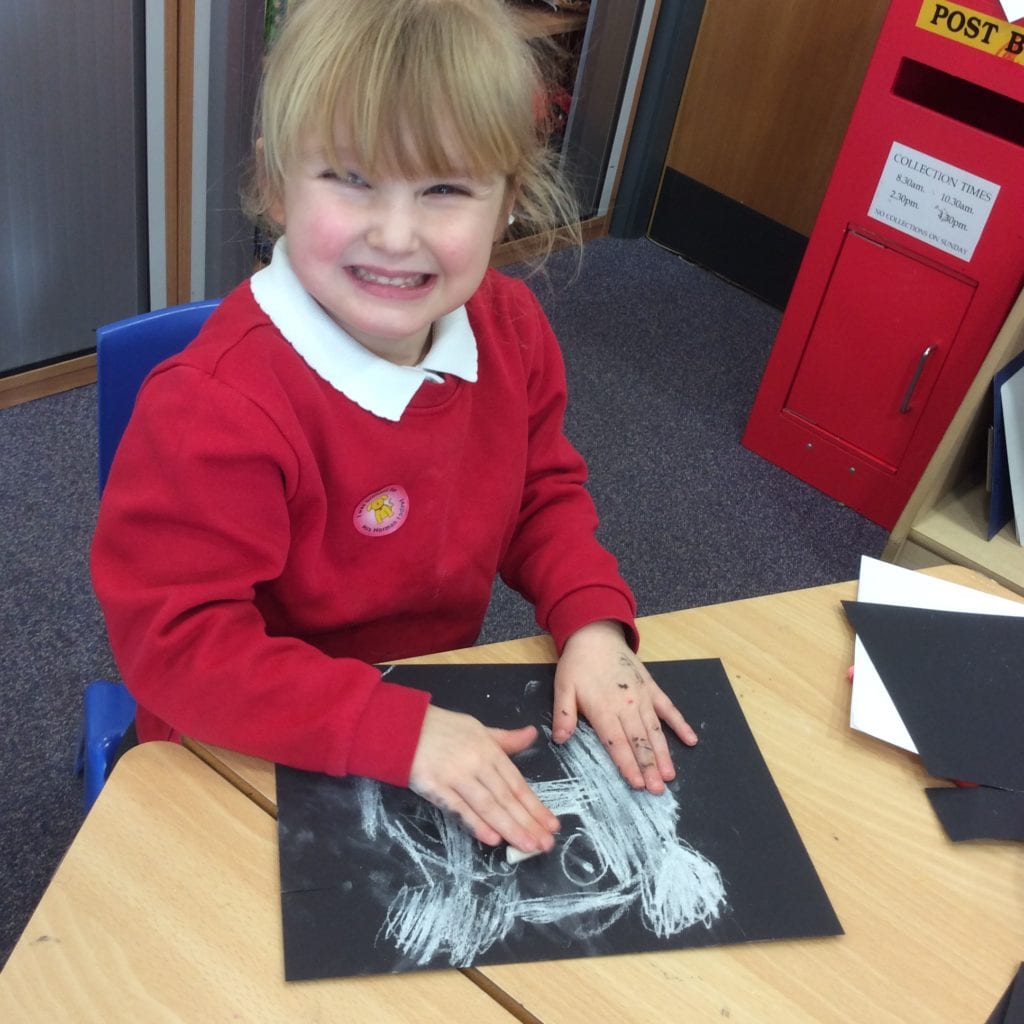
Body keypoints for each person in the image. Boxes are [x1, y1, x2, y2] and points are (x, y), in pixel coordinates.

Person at [91, 0, 697, 859]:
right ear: (276, 184)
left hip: (416, 712)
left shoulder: (512, 331)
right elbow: (179, 647)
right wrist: (391, 729)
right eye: (351, 178)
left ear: (509, 200)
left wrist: (591, 620)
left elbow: (539, 493)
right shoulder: (212, 407)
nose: (397, 235)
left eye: (445, 189)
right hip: (239, 741)